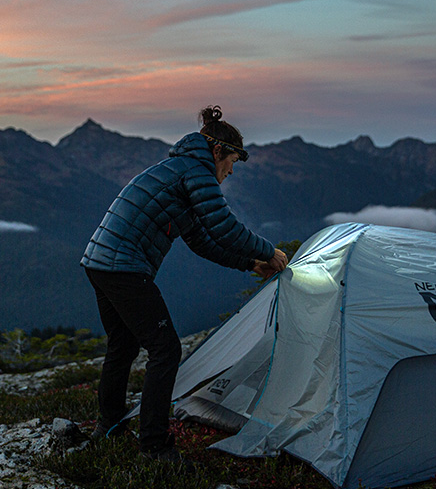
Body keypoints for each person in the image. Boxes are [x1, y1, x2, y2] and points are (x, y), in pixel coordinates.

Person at [80, 105, 288, 464]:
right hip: (124, 266)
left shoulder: (178, 170)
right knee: (166, 350)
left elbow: (200, 239)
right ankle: (155, 447)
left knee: (123, 347)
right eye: (232, 162)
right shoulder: (197, 170)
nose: (231, 171)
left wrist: (249, 263)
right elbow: (223, 225)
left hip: (99, 262)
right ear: (218, 151)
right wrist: (269, 251)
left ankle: (109, 426)